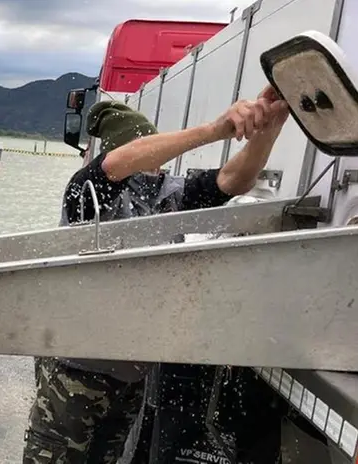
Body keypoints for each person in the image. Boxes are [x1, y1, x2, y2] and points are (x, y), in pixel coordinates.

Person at [22, 84, 290, 464]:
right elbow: (116, 165)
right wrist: (215, 130)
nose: (157, 163)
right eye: (149, 150)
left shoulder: (169, 196)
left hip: (131, 376)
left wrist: (269, 130)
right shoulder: (87, 192)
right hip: (75, 375)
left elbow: (235, 179)